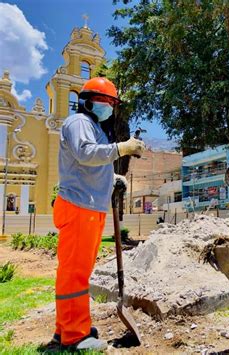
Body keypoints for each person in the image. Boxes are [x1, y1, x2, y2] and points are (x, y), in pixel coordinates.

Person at [52, 77, 145, 350]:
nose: (110, 107)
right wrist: (122, 148)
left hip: (87, 207)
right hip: (80, 207)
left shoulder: (91, 126)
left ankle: (68, 327)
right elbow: (85, 153)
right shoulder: (80, 122)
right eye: (106, 101)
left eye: (113, 103)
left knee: (74, 272)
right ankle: (75, 335)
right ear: (89, 100)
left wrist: (111, 177)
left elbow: (91, 164)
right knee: (76, 274)